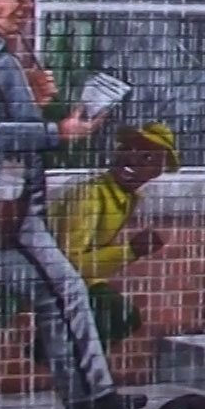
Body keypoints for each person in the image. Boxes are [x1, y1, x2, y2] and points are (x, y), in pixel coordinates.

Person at [0, 0, 141, 409]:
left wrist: (34, 97)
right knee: (63, 291)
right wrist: (58, 131)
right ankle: (91, 395)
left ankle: (88, 394)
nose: (27, 7)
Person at [49, 122, 176, 344]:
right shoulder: (89, 196)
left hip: (71, 280)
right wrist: (129, 251)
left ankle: (60, 353)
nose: (131, 160)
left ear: (157, 171)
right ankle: (54, 350)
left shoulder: (123, 197)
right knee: (116, 315)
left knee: (121, 317)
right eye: (129, 149)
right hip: (45, 278)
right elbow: (68, 263)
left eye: (146, 158)